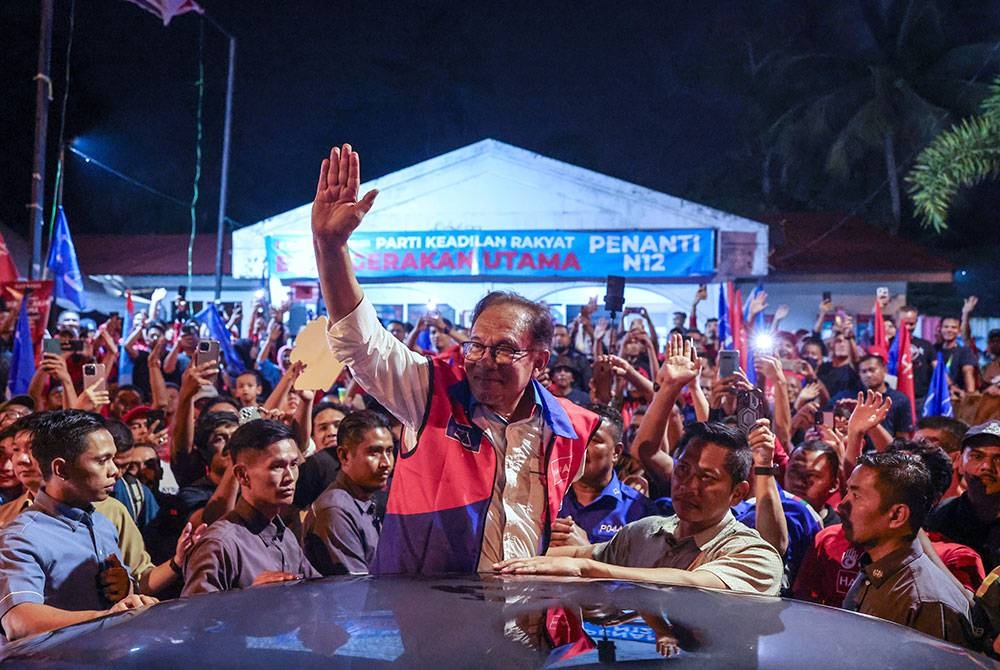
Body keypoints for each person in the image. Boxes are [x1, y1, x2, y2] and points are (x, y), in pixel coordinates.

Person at [311, 144, 599, 575]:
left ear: (540, 361)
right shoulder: (430, 392)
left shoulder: (570, 427)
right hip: (434, 620)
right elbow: (361, 343)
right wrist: (330, 247)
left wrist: (576, 544)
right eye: (476, 345)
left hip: (527, 622)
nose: (483, 360)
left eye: (503, 349)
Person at [497, 422, 783, 596]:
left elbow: (694, 584)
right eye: (682, 471)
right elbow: (576, 554)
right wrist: (501, 556)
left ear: (738, 493)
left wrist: (586, 568)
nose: (689, 486)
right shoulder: (647, 532)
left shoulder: (755, 555)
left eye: (706, 478)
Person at [0, 411, 157, 641]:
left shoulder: (103, 524)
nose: (114, 470)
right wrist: (106, 618)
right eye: (102, 461)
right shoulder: (21, 537)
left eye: (113, 458)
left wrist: (127, 591)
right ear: (61, 469)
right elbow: (20, 621)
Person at [838, 451, 974, 646]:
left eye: (856, 496)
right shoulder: (876, 571)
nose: (841, 505)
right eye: (847, 492)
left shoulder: (925, 603)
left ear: (897, 516)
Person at [182, 420, 318, 595]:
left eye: (293, 464)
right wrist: (250, 599)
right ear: (242, 475)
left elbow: (316, 592)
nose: (290, 477)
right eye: (277, 466)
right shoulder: (220, 544)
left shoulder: (285, 536)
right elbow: (195, 618)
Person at [303, 410, 393, 575]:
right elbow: (355, 591)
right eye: (374, 452)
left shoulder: (363, 501)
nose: (386, 463)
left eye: (389, 451)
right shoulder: (335, 511)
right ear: (344, 456)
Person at [551, 405, 656, 545]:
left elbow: (644, 566)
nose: (581, 447)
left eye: (594, 440)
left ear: (616, 453)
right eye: (578, 437)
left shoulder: (640, 511)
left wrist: (586, 550)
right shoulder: (547, 498)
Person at [926, 419, 1000, 571]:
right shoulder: (940, 517)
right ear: (959, 462)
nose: (987, 467)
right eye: (977, 456)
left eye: (998, 459)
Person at [294, 402, 349, 510]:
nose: (331, 433)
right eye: (323, 428)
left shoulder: (363, 462)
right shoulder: (311, 466)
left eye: (337, 426)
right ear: (313, 437)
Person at [784, 441, 842, 526]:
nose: (800, 481)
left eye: (812, 475)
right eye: (794, 471)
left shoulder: (840, 533)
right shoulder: (762, 514)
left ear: (834, 485)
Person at [936, 316, 978, 395]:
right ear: (940, 329)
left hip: (956, 397)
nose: (949, 330)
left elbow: (968, 372)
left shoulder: (964, 351)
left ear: (959, 331)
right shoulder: (933, 349)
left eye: (953, 327)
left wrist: (970, 395)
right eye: (946, 327)